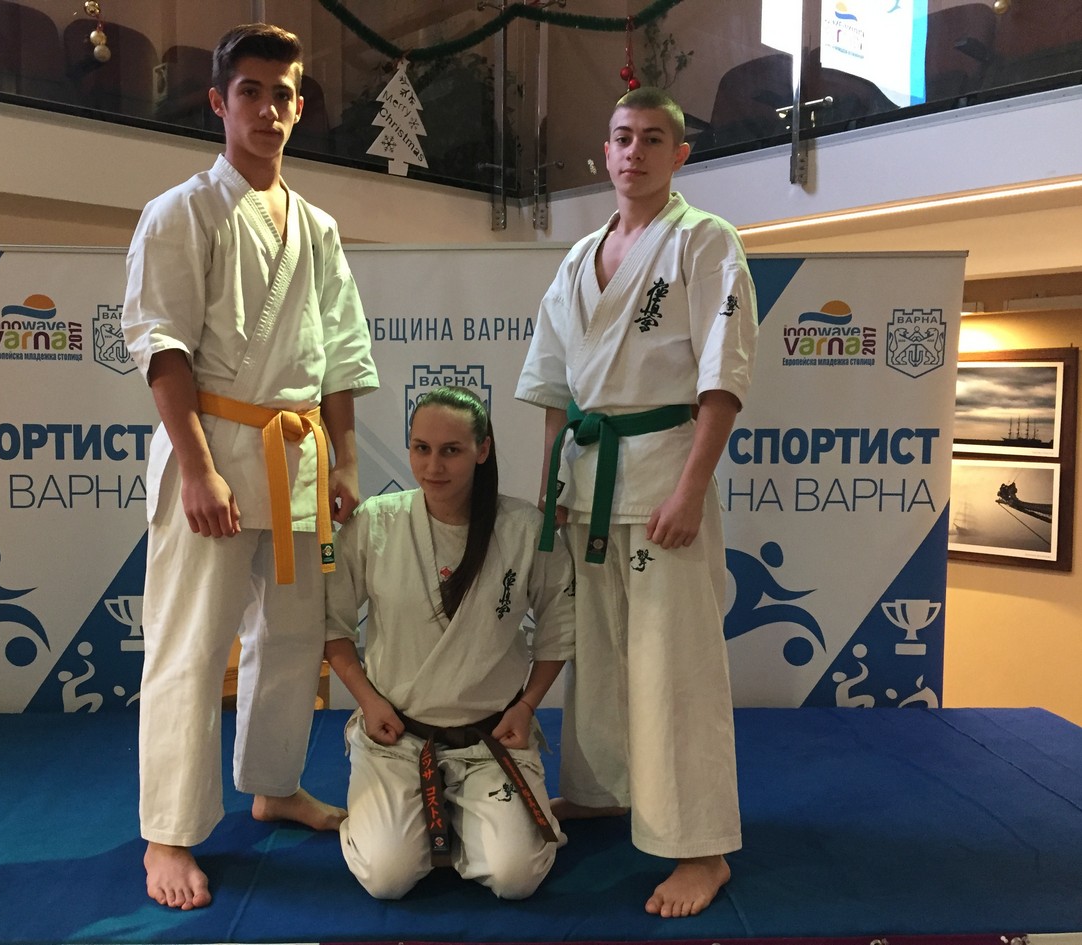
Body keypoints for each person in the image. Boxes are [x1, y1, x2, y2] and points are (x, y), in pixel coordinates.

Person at [121, 23, 378, 911]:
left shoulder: (318, 227)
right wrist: (197, 470)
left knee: (293, 638)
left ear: (300, 108)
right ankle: (168, 829)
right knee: (191, 645)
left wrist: (344, 462)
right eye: (251, 92)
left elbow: (340, 354)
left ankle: (273, 784)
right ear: (219, 103)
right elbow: (163, 348)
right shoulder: (180, 212)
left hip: (297, 457)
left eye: (284, 95)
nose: (269, 109)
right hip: (216, 450)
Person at [515, 86, 758, 919]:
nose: (635, 152)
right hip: (589, 483)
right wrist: (551, 487)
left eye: (654, 138)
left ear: (679, 155)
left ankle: (701, 846)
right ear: (605, 151)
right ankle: (603, 788)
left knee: (674, 665)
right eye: (623, 137)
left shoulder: (704, 241)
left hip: (661, 478)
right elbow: (555, 385)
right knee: (600, 654)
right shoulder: (578, 258)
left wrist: (692, 487)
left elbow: (722, 376)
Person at [324, 386, 574, 900]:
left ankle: (467, 823)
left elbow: (559, 625)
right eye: (421, 448)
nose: (433, 466)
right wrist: (367, 701)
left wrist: (527, 705)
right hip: (397, 736)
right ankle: (411, 822)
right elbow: (333, 624)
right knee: (387, 877)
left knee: (515, 877)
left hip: (490, 738)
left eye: (451, 450)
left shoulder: (523, 529)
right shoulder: (376, 522)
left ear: (483, 450)